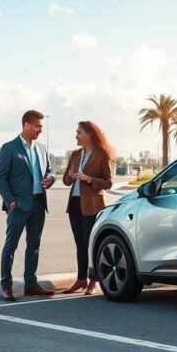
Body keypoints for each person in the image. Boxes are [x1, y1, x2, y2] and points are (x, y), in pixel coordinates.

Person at [0, 110, 56, 300]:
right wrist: (10, 201)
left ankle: (31, 284)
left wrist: (51, 179)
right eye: (37, 126)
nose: (40, 130)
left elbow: (50, 170)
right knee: (10, 246)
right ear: (26, 125)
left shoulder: (42, 148)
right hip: (18, 206)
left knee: (34, 245)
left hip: (39, 204)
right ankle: (6, 285)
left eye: (41, 127)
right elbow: (1, 177)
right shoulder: (9, 148)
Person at [61, 121, 116, 294]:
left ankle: (94, 281)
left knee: (91, 243)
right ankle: (81, 279)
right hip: (75, 204)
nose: (75, 135)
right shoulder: (76, 154)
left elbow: (108, 182)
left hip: (93, 205)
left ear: (89, 134)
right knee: (80, 244)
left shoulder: (103, 155)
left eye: (79, 132)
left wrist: (89, 179)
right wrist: (70, 176)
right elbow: (66, 180)